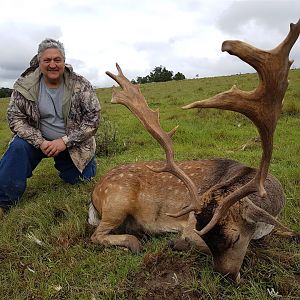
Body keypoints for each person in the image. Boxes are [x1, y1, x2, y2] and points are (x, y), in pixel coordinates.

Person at [0, 38, 101, 218]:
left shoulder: (81, 84)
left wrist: (64, 142)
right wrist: (40, 142)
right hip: (37, 141)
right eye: (47, 60)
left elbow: (93, 120)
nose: (52, 65)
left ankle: (69, 165)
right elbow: (15, 118)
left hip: (72, 144)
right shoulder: (24, 85)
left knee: (82, 180)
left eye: (57, 60)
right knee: (17, 148)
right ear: (39, 62)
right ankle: (3, 202)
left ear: (64, 61)